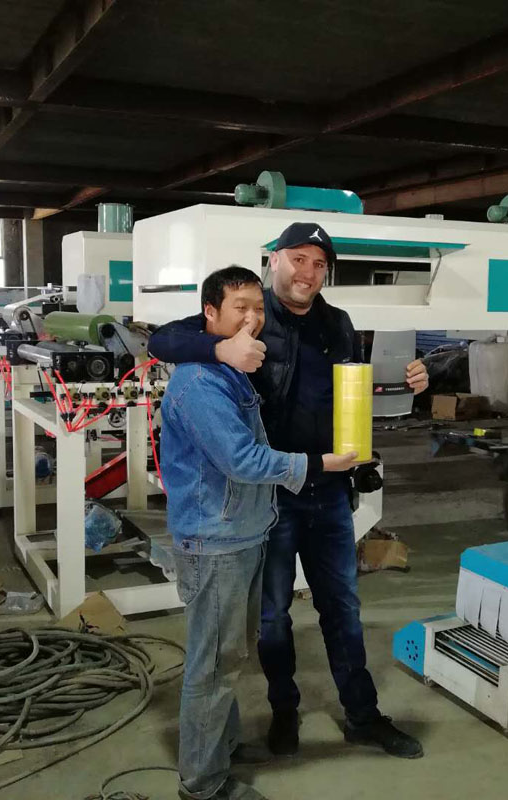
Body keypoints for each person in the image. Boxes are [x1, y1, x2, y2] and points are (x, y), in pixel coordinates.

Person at [150, 222, 428, 761]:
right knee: (273, 616)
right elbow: (164, 340)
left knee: (342, 607)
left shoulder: (337, 323)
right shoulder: (249, 314)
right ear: (273, 260)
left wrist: (407, 382)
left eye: (319, 264)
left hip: (328, 489)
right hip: (271, 493)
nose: (308, 272)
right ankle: (284, 712)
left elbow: (347, 391)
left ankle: (363, 716)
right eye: (298, 259)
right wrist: (222, 350)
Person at [161, 265, 357, 800]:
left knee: (230, 657)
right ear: (210, 314)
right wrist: (318, 464)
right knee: (212, 666)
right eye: (238, 308)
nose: (251, 318)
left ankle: (220, 749)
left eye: (256, 307)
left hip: (241, 533)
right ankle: (202, 784)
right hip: (214, 540)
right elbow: (243, 460)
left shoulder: (233, 370)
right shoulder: (200, 382)